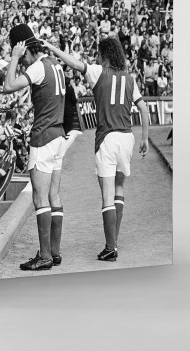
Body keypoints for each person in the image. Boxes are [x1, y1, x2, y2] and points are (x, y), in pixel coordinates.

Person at [45, 37, 149, 261]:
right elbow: (143, 107)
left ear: (105, 55)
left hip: (107, 139)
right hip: (127, 138)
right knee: (120, 188)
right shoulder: (130, 79)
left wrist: (53, 49)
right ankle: (114, 242)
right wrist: (145, 139)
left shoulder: (98, 72)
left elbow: (74, 63)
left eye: (99, 55)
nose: (97, 58)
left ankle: (110, 248)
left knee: (107, 195)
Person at [2, 24, 66, 271]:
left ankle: (45, 256)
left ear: (22, 47)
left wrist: (13, 58)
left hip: (43, 136)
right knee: (54, 195)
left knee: (40, 198)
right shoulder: (54, 64)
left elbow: (8, 86)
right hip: (59, 134)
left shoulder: (36, 66)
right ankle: (55, 252)